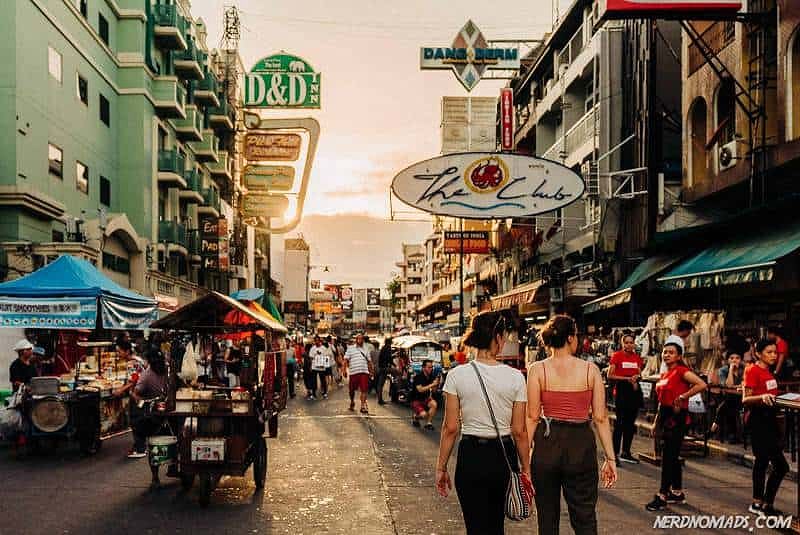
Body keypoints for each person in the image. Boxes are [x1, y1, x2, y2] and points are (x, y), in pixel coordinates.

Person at [436, 311, 531, 535]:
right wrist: (526, 469)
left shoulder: (457, 375)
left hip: (471, 456)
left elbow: (450, 428)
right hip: (504, 456)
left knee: (475, 527)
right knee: (496, 524)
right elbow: (519, 431)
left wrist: (441, 467)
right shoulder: (515, 377)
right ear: (497, 338)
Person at [527, 315, 617, 533]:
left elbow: (531, 417)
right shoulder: (590, 370)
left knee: (547, 517)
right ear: (570, 338)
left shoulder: (537, 369)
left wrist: (525, 459)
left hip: (547, 442)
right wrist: (610, 458)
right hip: (581, 443)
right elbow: (601, 417)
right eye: (575, 335)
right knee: (584, 515)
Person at [646, 341, 707, 511]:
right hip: (665, 416)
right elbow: (661, 402)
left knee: (668, 458)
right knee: (671, 456)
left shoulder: (681, 371)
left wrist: (683, 397)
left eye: (671, 352)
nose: (666, 355)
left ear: (679, 356)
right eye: (665, 352)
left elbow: (701, 384)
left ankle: (662, 495)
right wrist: (656, 423)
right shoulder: (665, 374)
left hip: (677, 417)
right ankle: (677, 493)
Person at [743, 339, 789, 517]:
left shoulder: (769, 373)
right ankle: (757, 503)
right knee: (763, 462)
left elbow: (773, 396)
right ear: (758, 353)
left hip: (771, 420)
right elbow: (746, 399)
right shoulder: (752, 370)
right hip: (758, 420)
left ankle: (766, 503)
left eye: (775, 352)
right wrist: (762, 397)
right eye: (769, 352)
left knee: (779, 466)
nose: (773, 355)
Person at [608, 333, 644, 465]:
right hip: (622, 391)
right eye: (626, 342)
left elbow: (639, 373)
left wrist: (636, 379)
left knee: (630, 424)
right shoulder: (617, 356)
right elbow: (610, 375)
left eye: (631, 342)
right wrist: (627, 379)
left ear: (634, 343)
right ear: (622, 344)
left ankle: (626, 452)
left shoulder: (637, 358)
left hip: (633, 392)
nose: (629, 345)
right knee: (620, 424)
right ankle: (614, 455)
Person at [128, 348, 170, 459]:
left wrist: (132, 392)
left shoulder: (147, 374)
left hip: (154, 409)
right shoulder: (164, 370)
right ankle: (141, 445)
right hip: (161, 405)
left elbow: (136, 393)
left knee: (135, 415)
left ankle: (140, 447)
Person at [710, 352, 744, 442]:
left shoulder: (744, 369)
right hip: (730, 398)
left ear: (741, 360)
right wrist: (731, 370)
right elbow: (727, 386)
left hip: (743, 398)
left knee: (728, 403)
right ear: (728, 360)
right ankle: (732, 435)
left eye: (737, 358)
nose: (734, 360)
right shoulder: (723, 370)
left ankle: (714, 425)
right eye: (731, 358)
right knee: (730, 402)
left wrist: (733, 388)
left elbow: (744, 386)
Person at [344, 333, 374, 414]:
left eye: (361, 339)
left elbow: (369, 361)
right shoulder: (350, 348)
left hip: (364, 372)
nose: (359, 340)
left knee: (364, 390)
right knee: (351, 390)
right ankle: (352, 401)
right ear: (356, 340)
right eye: (358, 338)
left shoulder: (366, 349)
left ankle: (363, 406)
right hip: (353, 372)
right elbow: (346, 360)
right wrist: (344, 370)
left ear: (363, 340)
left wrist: (371, 371)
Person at [410, 360, 440, 430]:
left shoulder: (431, 376)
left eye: (431, 367)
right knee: (424, 415)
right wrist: (432, 384)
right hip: (416, 400)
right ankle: (416, 417)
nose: (431, 369)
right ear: (423, 368)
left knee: (434, 404)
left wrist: (436, 384)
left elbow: (434, 391)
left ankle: (428, 423)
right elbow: (420, 390)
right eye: (429, 367)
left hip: (425, 399)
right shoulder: (418, 377)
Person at [376, 337, 393, 405]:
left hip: (381, 367)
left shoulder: (383, 348)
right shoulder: (388, 348)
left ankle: (380, 399)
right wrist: (393, 364)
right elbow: (389, 358)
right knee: (398, 373)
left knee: (380, 384)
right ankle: (380, 399)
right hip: (384, 368)